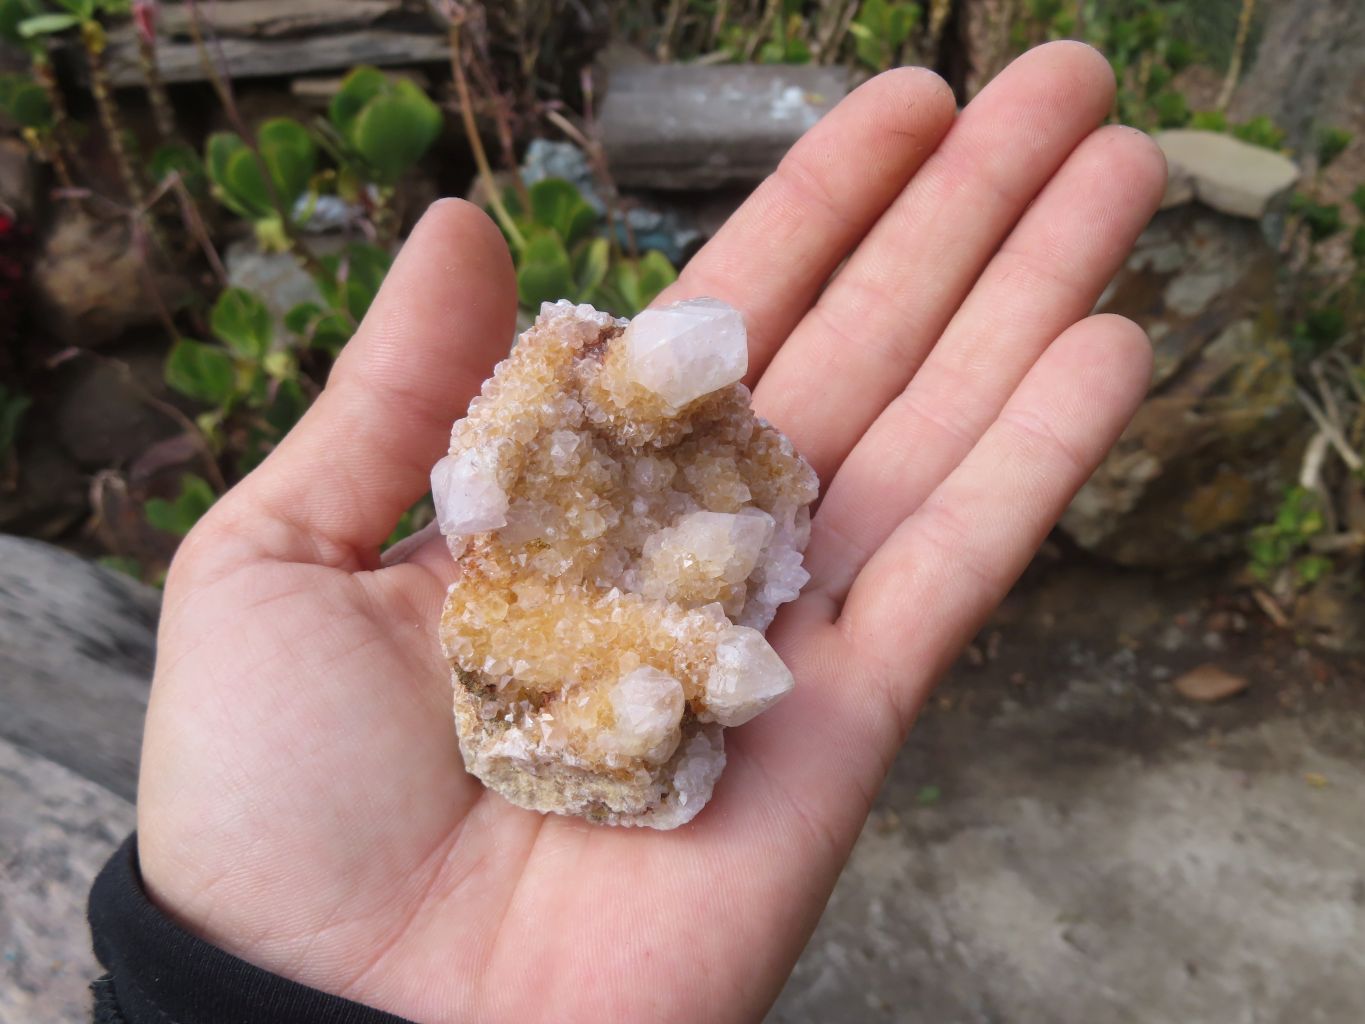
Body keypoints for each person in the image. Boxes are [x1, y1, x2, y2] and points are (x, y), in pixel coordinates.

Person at [88, 41, 1166, 1024]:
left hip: (634, 579)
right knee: (648, 665)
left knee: (679, 631)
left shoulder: (692, 461)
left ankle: (658, 678)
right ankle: (650, 687)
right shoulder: (523, 520)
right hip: (563, 612)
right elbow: (504, 601)